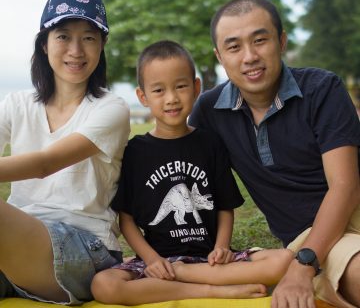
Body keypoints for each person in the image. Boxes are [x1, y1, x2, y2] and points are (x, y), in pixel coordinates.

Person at [188, 0, 360, 308]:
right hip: (314, 239)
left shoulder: (322, 89)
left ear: (281, 42)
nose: (250, 56)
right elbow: (176, 167)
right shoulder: (210, 111)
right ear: (219, 56)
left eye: (260, 40)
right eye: (234, 46)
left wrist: (301, 267)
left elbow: (345, 186)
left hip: (350, 213)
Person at [90, 40, 293, 305]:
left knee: (283, 259)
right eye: (159, 90)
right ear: (143, 97)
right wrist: (151, 260)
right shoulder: (135, 151)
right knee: (103, 285)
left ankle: (185, 276)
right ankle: (211, 291)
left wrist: (222, 247)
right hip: (161, 261)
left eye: (181, 86)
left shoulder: (210, 143)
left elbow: (224, 207)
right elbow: (126, 220)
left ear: (196, 88)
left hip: (211, 261)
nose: (172, 98)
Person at [0, 0, 130, 304]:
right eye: (63, 36)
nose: (76, 50)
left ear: (101, 46)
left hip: (86, 249)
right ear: (44, 43)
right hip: (17, 249)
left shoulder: (110, 108)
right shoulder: (16, 103)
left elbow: (46, 163)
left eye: (88, 37)